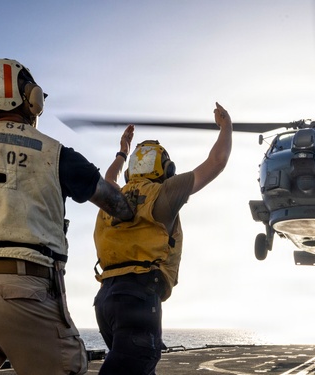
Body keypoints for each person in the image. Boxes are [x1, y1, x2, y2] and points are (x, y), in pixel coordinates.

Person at [0, 58, 134, 375]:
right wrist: (127, 171)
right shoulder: (54, 153)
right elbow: (116, 204)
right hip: (26, 290)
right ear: (32, 98)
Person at [93, 102, 233, 374]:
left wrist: (122, 150)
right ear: (165, 169)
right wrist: (226, 126)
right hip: (138, 298)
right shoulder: (165, 193)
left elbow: (111, 176)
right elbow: (217, 162)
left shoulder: (111, 194)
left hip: (105, 300)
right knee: (134, 365)